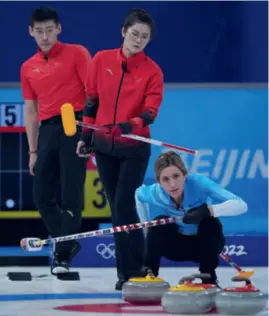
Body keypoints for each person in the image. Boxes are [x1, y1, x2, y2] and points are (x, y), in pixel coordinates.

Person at [77, 8, 164, 290]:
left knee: (125, 205)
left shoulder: (152, 70)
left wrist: (127, 126)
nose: (139, 40)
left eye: (145, 37)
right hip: (104, 146)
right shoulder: (101, 59)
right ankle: (125, 273)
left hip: (134, 148)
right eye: (135, 34)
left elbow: (151, 113)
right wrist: (85, 137)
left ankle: (135, 270)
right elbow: (91, 100)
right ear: (123, 31)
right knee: (117, 210)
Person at [20, 6, 91, 275]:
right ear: (31, 32)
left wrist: (90, 132)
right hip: (48, 130)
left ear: (59, 28)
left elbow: (92, 93)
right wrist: (33, 150)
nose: (45, 36)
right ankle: (69, 242)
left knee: (71, 192)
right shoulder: (28, 67)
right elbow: (31, 110)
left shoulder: (77, 53)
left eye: (50, 30)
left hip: (75, 124)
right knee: (41, 196)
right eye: (39, 31)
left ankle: (61, 256)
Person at [135, 151, 248, 285]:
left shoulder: (199, 184)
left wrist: (209, 210)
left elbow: (241, 205)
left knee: (210, 222)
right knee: (158, 223)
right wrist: (147, 230)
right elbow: (138, 195)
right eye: (165, 179)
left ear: (185, 175)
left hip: (203, 246)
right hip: (175, 247)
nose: (172, 184)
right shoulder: (154, 193)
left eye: (176, 176)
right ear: (159, 181)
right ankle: (149, 275)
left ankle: (208, 277)